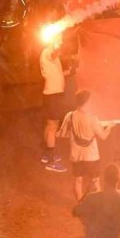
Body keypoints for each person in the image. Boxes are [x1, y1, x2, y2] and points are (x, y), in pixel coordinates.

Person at [59, 89, 115, 200]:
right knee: (95, 181)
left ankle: (80, 204)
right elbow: (103, 136)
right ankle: (98, 206)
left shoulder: (69, 116)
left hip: (76, 155)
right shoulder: (93, 118)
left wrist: (74, 134)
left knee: (78, 180)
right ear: (88, 102)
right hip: (91, 156)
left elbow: (62, 134)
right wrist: (110, 126)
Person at [40, 41, 70, 173]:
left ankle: (47, 155)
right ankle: (51, 162)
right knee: (53, 127)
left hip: (51, 95)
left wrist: (66, 72)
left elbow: (55, 74)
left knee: (50, 125)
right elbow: (54, 53)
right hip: (53, 96)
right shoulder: (47, 52)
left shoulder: (50, 55)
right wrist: (58, 44)